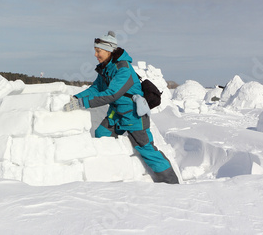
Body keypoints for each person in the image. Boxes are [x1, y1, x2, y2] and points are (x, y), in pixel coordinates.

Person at [63, 31, 179, 184]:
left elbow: (112, 94)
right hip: (116, 114)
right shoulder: (106, 68)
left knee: (146, 149)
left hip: (134, 115)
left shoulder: (123, 70)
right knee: (102, 133)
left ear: (109, 50)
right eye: (95, 50)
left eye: (98, 51)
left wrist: (83, 104)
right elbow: (96, 88)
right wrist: (77, 98)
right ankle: (114, 172)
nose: (95, 54)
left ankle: (171, 183)